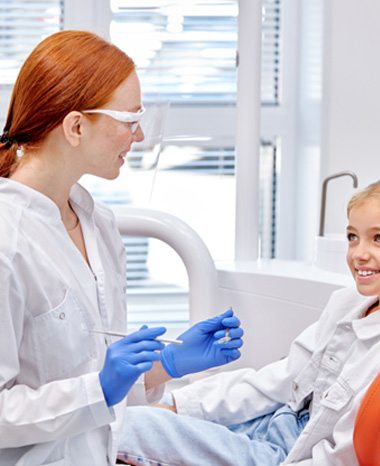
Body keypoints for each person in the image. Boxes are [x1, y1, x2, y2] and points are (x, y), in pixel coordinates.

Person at [0, 30, 243, 466]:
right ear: (76, 126)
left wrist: (167, 362)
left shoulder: (100, 225)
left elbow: (94, 380)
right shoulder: (7, 240)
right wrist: (99, 388)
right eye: (130, 120)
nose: (141, 134)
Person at [117, 174, 380, 466]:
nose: (359, 252)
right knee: (134, 417)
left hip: (289, 455)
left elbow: (344, 455)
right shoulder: (349, 301)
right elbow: (281, 379)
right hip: (275, 423)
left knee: (122, 429)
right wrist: (179, 405)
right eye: (353, 236)